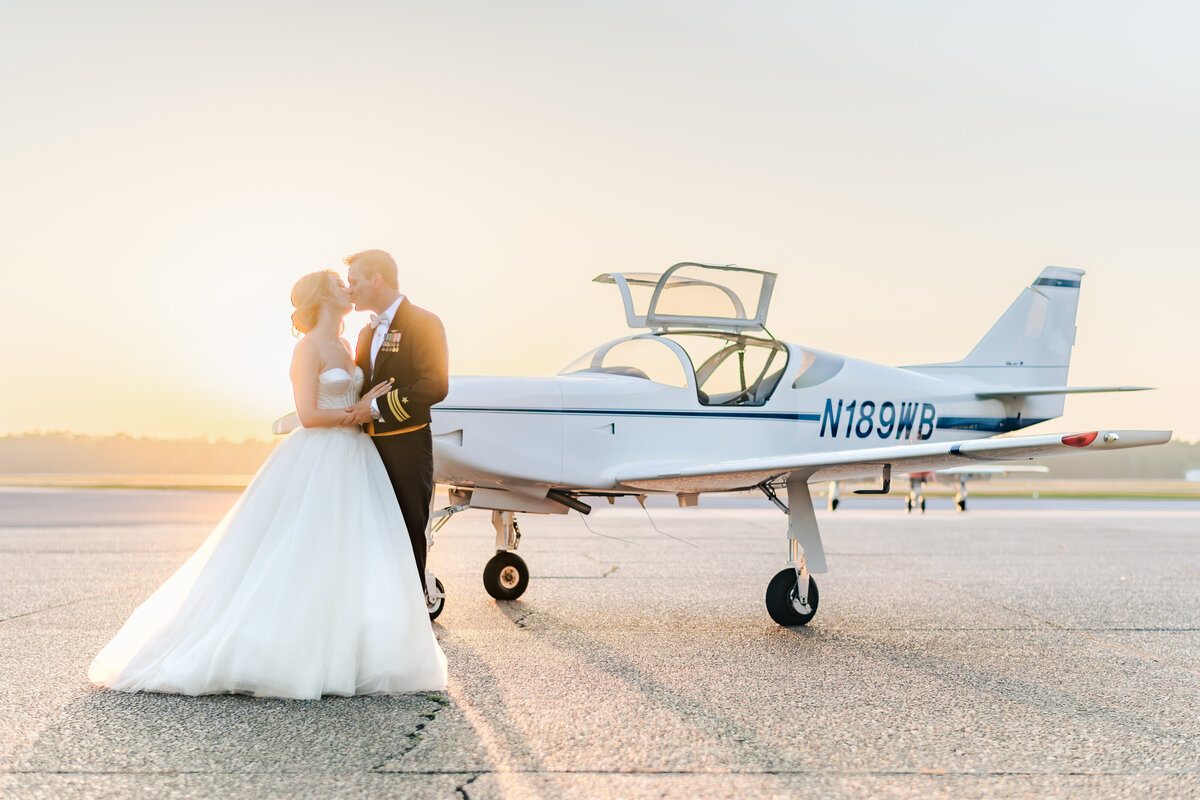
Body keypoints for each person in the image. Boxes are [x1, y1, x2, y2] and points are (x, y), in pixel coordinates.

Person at [88, 270, 447, 698]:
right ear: (324, 297)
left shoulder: (352, 344)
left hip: (356, 456)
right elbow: (310, 415)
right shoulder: (307, 348)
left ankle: (348, 650)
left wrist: (367, 409)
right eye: (339, 284)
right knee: (300, 551)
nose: (347, 289)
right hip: (319, 455)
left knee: (346, 553)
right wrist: (358, 413)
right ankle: (281, 650)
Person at [343, 250, 448, 598]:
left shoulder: (424, 322)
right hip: (366, 451)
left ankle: (411, 620)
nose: (349, 290)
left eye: (354, 281)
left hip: (406, 449)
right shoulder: (364, 333)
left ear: (377, 279)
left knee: (406, 534)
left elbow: (435, 386)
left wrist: (375, 407)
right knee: (366, 536)